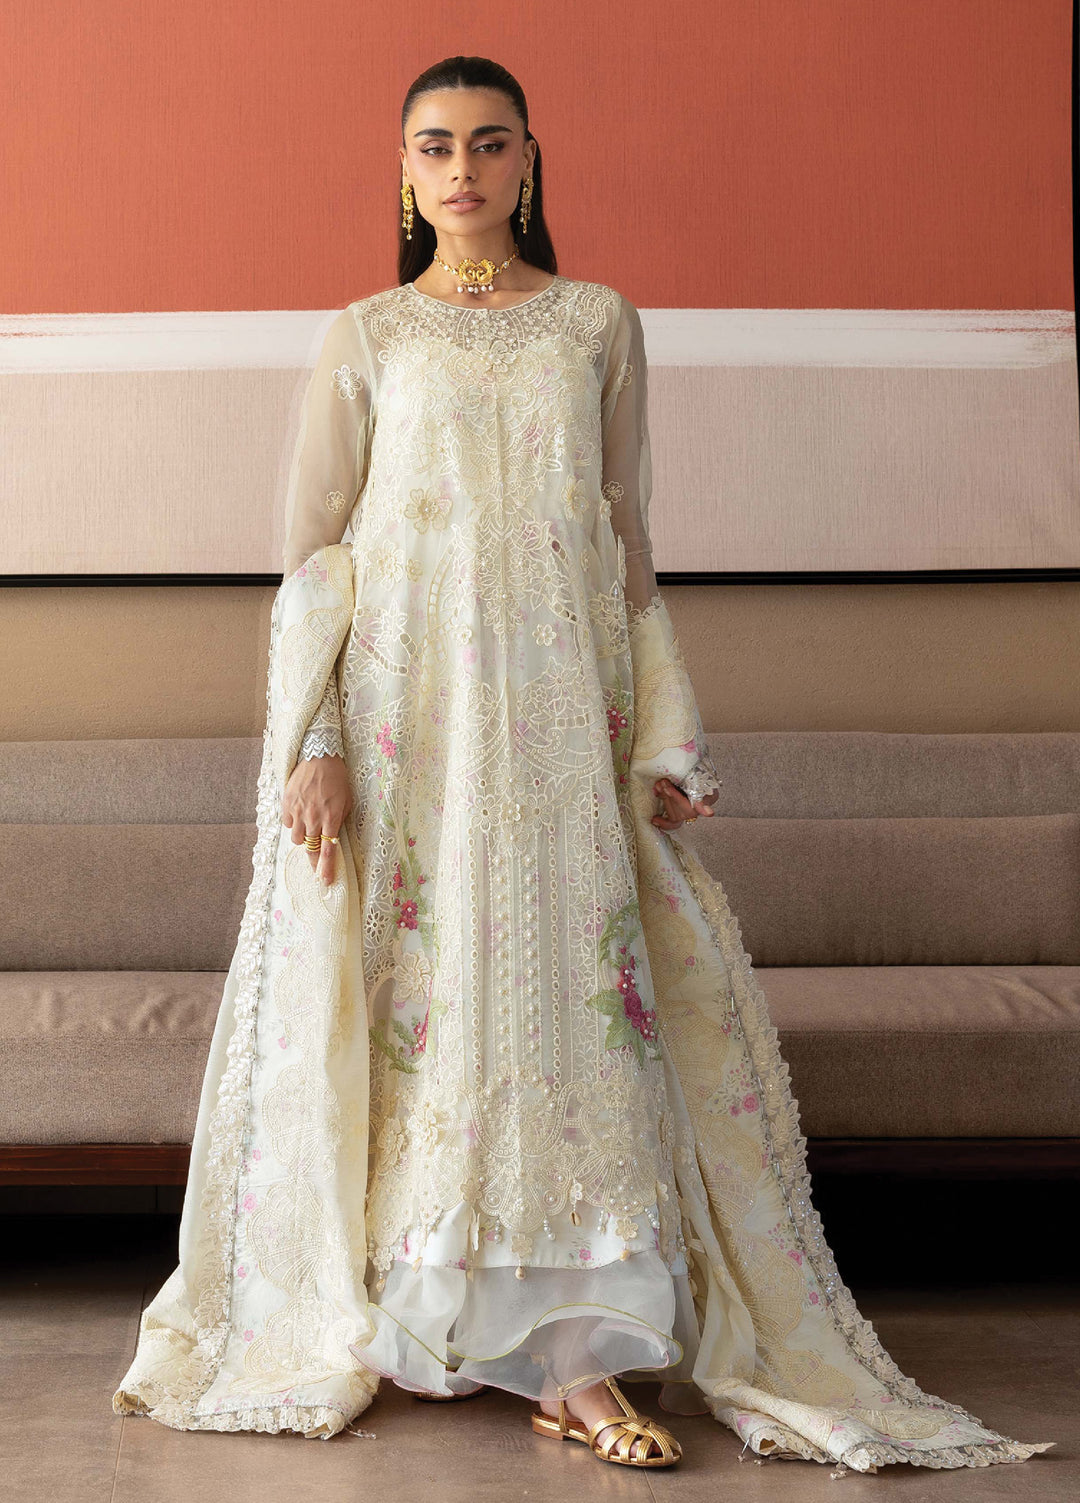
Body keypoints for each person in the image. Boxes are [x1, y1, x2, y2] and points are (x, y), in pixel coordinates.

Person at [113, 56, 1053, 1476]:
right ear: (404, 170)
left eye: (490, 144)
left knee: (567, 1021)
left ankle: (575, 1359)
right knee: (434, 1014)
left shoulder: (598, 323)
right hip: (412, 736)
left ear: (529, 161)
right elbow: (314, 556)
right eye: (437, 146)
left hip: (561, 735)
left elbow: (624, 539)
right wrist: (313, 745)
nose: (464, 170)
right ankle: (445, 1315)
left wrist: (663, 736)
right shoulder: (368, 335)